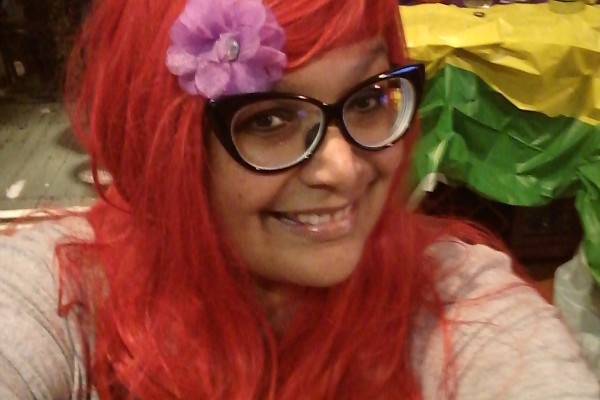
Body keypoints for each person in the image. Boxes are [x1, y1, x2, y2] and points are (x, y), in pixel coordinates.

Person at [0, 0, 598, 398]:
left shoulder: (459, 302)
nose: (344, 168)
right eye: (269, 119)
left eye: (368, 98)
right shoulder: (70, 293)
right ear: (167, 143)